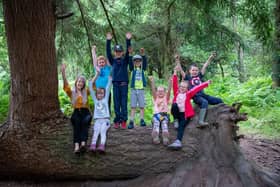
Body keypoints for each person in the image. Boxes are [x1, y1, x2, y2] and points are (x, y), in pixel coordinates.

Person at [168, 67, 211, 149]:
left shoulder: (188, 94)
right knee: (174, 105)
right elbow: (174, 84)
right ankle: (175, 119)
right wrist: (174, 74)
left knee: (181, 126)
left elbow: (197, 88)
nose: (182, 88)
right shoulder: (176, 93)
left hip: (185, 115)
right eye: (181, 87)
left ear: (187, 88)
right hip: (177, 113)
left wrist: (206, 83)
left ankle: (178, 142)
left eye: (184, 87)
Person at [179, 52, 223, 127]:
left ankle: (221, 116)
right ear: (190, 71)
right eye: (193, 70)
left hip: (203, 95)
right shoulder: (188, 78)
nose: (195, 72)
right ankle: (201, 121)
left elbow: (205, 66)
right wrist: (177, 62)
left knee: (219, 100)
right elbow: (181, 70)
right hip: (196, 97)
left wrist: (210, 57)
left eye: (196, 70)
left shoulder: (199, 76)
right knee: (204, 102)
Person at [61, 64, 92, 154]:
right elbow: (66, 85)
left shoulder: (86, 91)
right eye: (79, 81)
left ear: (83, 84)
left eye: (82, 82)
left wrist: (96, 74)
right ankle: (76, 146)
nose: (80, 83)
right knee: (77, 125)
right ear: (76, 82)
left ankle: (83, 144)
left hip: (86, 112)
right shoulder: (72, 92)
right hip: (76, 112)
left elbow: (93, 85)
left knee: (85, 123)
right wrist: (63, 73)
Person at [106, 32, 131, 129]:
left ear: (122, 52)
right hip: (115, 85)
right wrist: (108, 40)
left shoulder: (125, 61)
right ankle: (117, 120)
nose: (118, 53)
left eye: (120, 51)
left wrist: (128, 40)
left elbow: (129, 52)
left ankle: (124, 121)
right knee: (116, 103)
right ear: (115, 52)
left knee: (123, 103)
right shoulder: (113, 61)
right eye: (116, 51)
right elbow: (108, 52)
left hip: (124, 84)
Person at [89, 67, 112, 153]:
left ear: (104, 94)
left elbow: (108, 88)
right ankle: (93, 145)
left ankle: (102, 146)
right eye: (98, 93)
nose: (100, 95)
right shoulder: (95, 100)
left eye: (102, 93)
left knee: (102, 131)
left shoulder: (105, 99)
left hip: (105, 120)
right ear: (96, 94)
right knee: (96, 132)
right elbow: (91, 88)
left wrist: (109, 80)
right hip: (97, 120)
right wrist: (95, 76)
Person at [127, 48, 148, 129]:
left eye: (139, 61)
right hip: (133, 89)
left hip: (141, 89)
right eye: (135, 61)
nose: (137, 62)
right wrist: (130, 55)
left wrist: (143, 55)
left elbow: (145, 63)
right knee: (133, 106)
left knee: (142, 105)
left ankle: (142, 120)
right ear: (134, 62)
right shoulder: (133, 69)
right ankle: (131, 121)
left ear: (141, 62)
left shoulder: (143, 69)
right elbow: (130, 63)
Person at [149, 76, 172, 145]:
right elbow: (153, 91)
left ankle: (165, 137)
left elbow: (169, 91)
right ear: (157, 92)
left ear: (165, 92)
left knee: (164, 123)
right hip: (156, 116)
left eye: (162, 91)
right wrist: (152, 82)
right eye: (158, 91)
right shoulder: (156, 98)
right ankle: (155, 136)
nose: (160, 92)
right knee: (156, 123)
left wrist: (170, 82)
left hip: (164, 115)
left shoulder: (166, 98)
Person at [91, 45, 112, 113]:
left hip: (107, 90)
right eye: (100, 62)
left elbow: (109, 58)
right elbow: (94, 60)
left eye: (103, 62)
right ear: (98, 63)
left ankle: (107, 119)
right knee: (99, 105)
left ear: (105, 63)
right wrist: (93, 51)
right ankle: (99, 118)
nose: (101, 63)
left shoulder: (108, 68)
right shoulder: (97, 69)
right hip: (98, 91)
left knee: (107, 105)